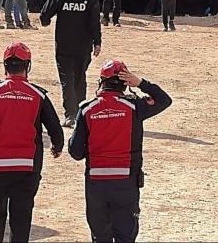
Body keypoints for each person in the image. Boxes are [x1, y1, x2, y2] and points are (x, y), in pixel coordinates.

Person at [0, 42, 65, 243]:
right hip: (27, 166)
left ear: (5, 65)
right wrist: (57, 146)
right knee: (21, 217)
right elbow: (55, 127)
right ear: (27, 66)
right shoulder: (39, 95)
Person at [68, 60, 172, 243]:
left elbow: (75, 152)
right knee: (125, 237)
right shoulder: (134, 107)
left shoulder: (87, 109)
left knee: (100, 237)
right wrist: (141, 83)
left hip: (96, 185)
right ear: (125, 83)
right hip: (126, 183)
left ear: (101, 81)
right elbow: (164, 100)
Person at [40, 0, 102, 127]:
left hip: (64, 47)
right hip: (83, 48)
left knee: (67, 80)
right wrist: (98, 43)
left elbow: (44, 17)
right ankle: (81, 113)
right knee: (80, 79)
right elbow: (95, 23)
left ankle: (71, 115)